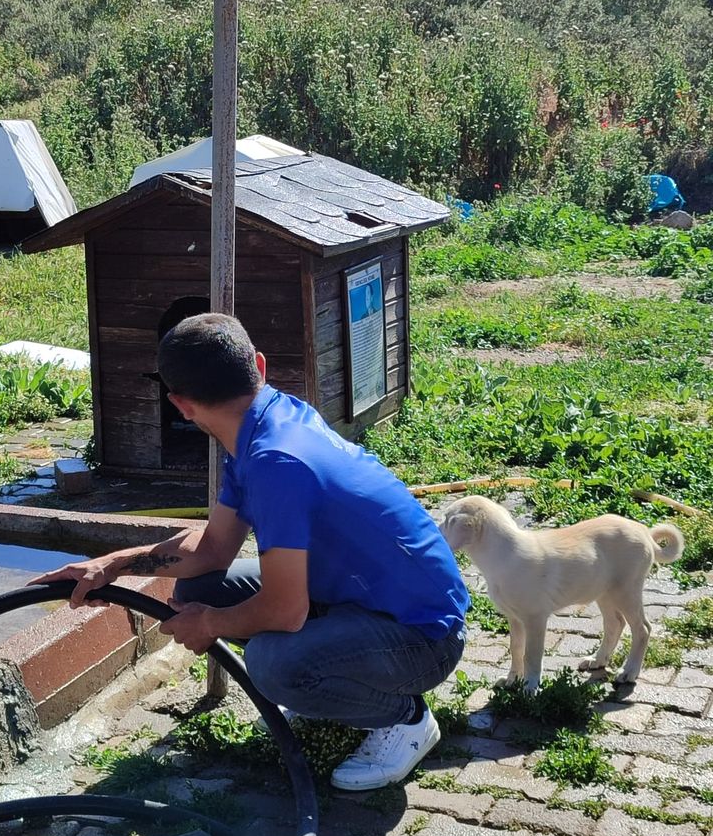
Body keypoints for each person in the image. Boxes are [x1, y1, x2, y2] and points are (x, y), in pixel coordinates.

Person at [31, 313, 468, 791]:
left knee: (273, 665)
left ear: (180, 404)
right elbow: (214, 547)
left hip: (423, 636)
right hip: (363, 597)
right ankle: (327, 671)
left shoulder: (275, 462)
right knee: (202, 586)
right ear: (258, 365)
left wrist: (208, 625)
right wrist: (113, 565)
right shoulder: (265, 422)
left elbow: (284, 610)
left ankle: (404, 719)